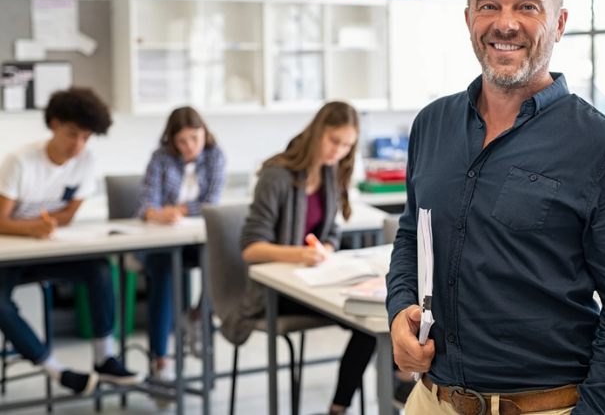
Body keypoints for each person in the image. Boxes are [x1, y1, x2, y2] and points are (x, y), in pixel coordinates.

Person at [385, 0, 605, 415]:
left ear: (558, 22)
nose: (505, 23)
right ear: (469, 18)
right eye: (488, 5)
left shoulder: (603, 146)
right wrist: (398, 313)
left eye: (527, 6)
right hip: (432, 400)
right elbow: (414, 235)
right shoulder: (431, 124)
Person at [228, 101, 375, 415]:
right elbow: (250, 247)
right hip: (276, 292)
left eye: (347, 146)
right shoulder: (276, 174)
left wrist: (326, 252)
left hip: (314, 281)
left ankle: (341, 406)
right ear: (317, 132)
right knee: (367, 321)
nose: (339, 151)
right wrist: (301, 254)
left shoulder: (329, 173)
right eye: (334, 141)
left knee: (375, 318)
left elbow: (332, 234)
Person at [0, 87, 142, 396]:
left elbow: (66, 215)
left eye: (85, 137)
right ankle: (56, 370)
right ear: (53, 124)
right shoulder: (20, 161)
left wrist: (45, 226)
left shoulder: (86, 161)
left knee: (100, 270)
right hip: (10, 256)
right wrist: (31, 229)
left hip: (48, 252)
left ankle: (105, 358)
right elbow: (1, 220)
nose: (77, 145)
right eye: (71, 134)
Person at [136, 106, 225, 392]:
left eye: (195, 138)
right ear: (171, 140)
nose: (190, 147)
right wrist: (157, 213)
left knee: (222, 258)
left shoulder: (215, 156)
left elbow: (211, 203)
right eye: (182, 141)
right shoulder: (160, 159)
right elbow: (146, 205)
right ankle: (160, 361)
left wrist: (179, 209)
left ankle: (198, 317)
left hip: (195, 242)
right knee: (163, 272)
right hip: (161, 242)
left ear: (204, 134)